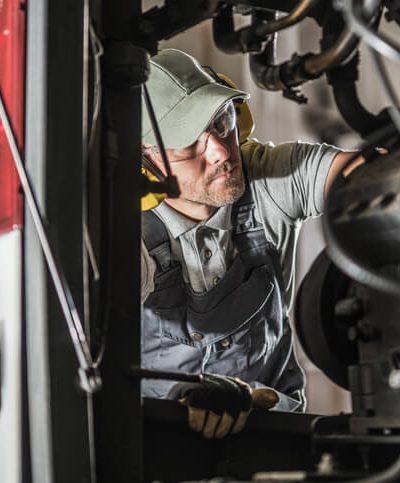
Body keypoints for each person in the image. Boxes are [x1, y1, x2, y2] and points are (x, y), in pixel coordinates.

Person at [140, 49, 358, 438]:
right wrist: (180, 395)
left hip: (275, 436)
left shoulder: (267, 176)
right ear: (148, 161)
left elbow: (373, 178)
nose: (222, 151)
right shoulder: (124, 230)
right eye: (190, 142)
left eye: (222, 123)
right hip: (158, 447)